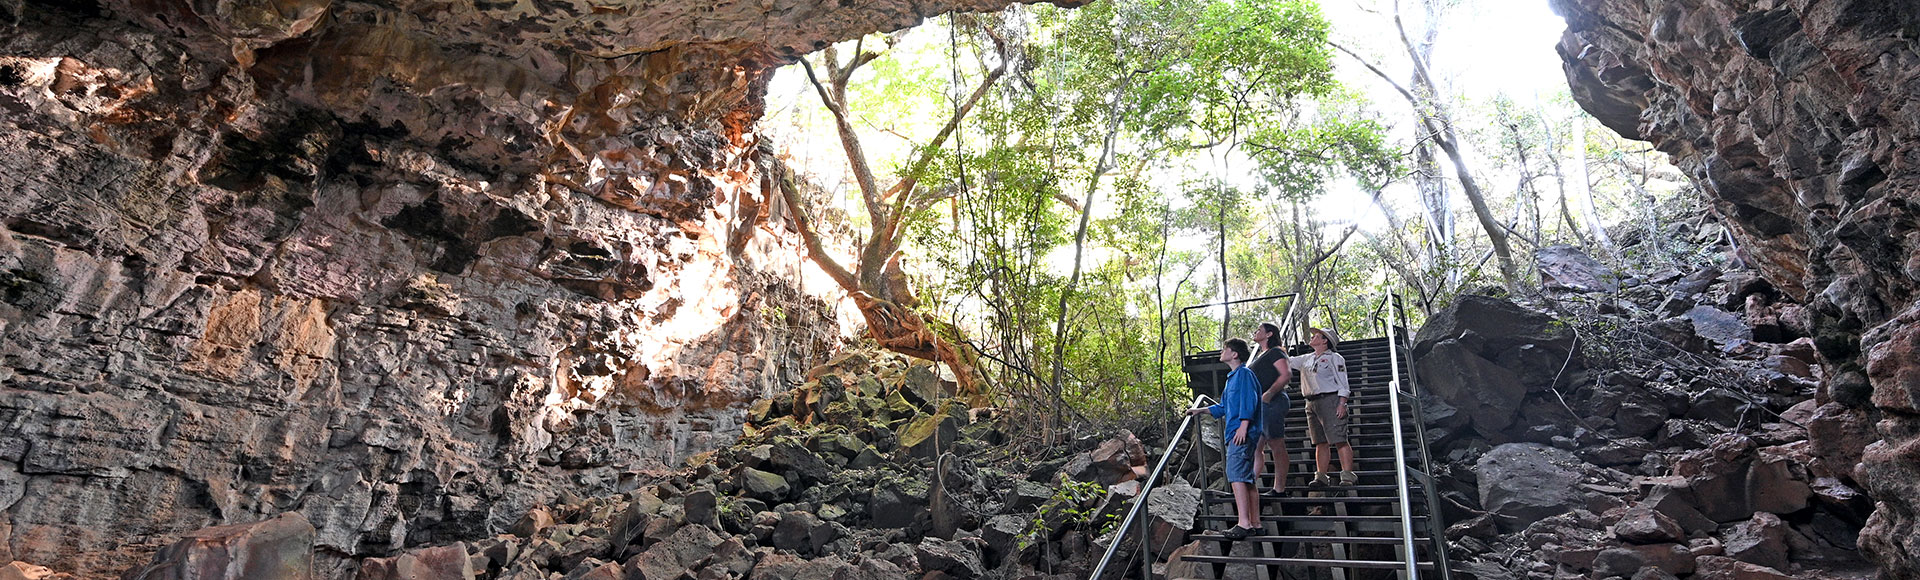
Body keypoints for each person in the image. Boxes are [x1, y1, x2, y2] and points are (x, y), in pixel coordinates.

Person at [1186, 338, 1262, 539]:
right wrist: (1200, 410)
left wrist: (1243, 426)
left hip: (1241, 432)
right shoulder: (1232, 378)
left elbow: (1250, 400)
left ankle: (1244, 523)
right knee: (1247, 478)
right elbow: (1223, 407)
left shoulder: (1244, 374)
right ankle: (1255, 522)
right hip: (1237, 430)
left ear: (1234, 353)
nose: (1221, 352)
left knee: (1236, 475)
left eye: (1225, 349)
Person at [1291, 327, 1356, 487]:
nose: (1312, 337)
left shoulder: (1335, 358)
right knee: (1320, 441)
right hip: (1311, 401)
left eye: (1316, 336)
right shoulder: (1307, 358)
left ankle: (1347, 475)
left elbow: (1343, 381)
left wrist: (1342, 403)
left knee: (1339, 438)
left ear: (1324, 340)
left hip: (1330, 398)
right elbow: (1287, 360)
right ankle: (1321, 476)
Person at [1250, 322, 1293, 496]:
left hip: (1273, 401)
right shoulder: (1261, 355)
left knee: (1276, 443)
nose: (1255, 331)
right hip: (1261, 405)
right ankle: (1249, 485)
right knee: (1256, 447)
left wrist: (1269, 393)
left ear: (1269, 334)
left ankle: (1279, 488)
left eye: (1259, 329)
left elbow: (1286, 374)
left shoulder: (1276, 351)